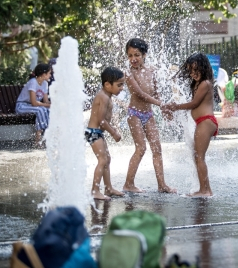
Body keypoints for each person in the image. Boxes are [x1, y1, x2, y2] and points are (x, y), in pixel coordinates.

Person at [123, 38, 176, 194]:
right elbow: (140, 94)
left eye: (137, 55)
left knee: (157, 149)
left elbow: (155, 92)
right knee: (141, 148)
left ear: (144, 54)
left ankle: (162, 185)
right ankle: (128, 184)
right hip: (134, 114)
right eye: (130, 55)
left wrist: (164, 110)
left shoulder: (152, 70)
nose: (133, 59)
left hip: (148, 114)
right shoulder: (127, 73)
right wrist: (161, 104)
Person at [163, 53, 217, 197]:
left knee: (199, 156)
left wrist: (176, 106)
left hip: (206, 121)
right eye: (190, 71)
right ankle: (205, 189)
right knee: (197, 156)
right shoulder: (199, 83)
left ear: (204, 68)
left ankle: (205, 191)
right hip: (202, 121)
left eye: (196, 70)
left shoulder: (205, 83)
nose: (193, 73)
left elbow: (194, 104)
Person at [86, 67, 126, 200]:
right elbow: (101, 121)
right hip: (94, 132)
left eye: (123, 85)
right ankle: (95, 190)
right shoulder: (103, 97)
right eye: (119, 85)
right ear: (107, 84)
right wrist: (114, 132)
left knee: (107, 159)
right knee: (102, 160)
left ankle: (108, 188)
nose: (122, 88)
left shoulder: (107, 96)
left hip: (96, 132)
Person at [15, 63, 52, 148]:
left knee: (48, 110)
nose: (50, 75)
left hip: (33, 107)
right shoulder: (33, 82)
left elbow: (46, 101)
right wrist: (47, 105)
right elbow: (34, 103)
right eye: (49, 73)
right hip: (22, 106)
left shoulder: (45, 84)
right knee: (41, 110)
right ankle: (38, 139)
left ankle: (48, 136)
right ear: (43, 74)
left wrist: (54, 104)